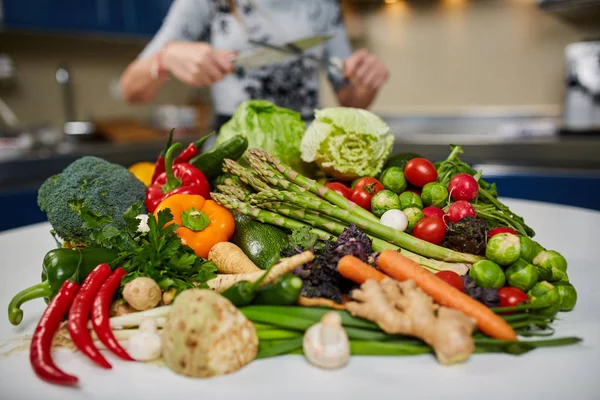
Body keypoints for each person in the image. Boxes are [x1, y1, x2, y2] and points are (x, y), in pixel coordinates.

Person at [120, 0, 389, 130]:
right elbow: (131, 90)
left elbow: (350, 98)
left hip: (310, 153)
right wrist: (165, 58)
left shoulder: (324, 6)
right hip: (234, 150)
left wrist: (365, 84)